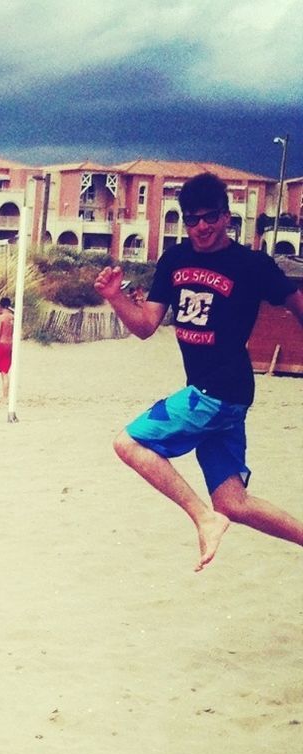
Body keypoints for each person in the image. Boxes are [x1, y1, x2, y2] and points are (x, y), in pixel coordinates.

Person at [95, 171, 303, 571]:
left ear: (227, 217)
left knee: (128, 443)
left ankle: (204, 519)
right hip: (218, 396)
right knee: (234, 504)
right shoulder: (175, 260)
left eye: (210, 217)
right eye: (192, 219)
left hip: (219, 390)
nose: (201, 227)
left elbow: (298, 307)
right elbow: (144, 326)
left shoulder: (251, 265)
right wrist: (114, 296)